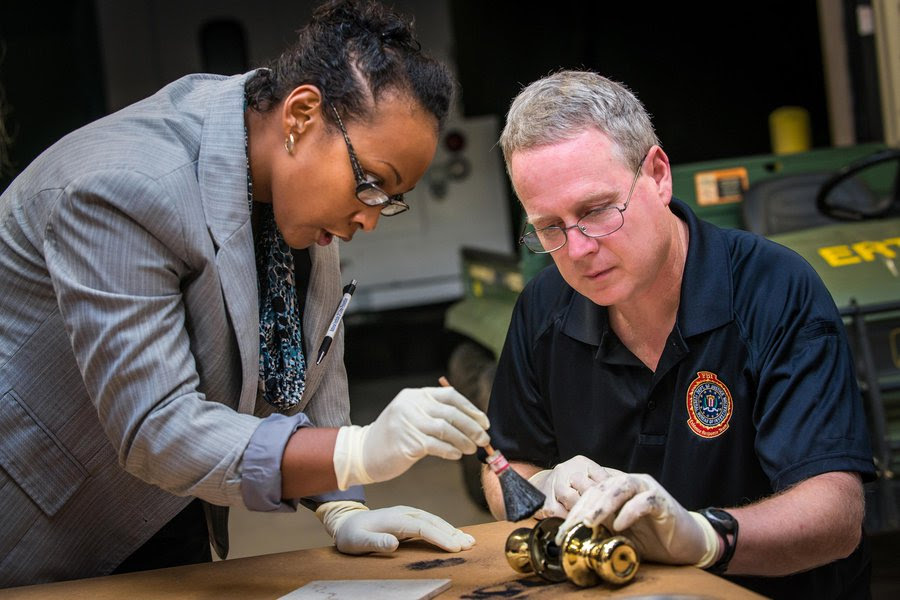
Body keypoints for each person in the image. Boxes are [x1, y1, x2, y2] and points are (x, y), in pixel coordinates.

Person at [0, 0, 491, 587]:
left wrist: (341, 505)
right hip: (45, 520)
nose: (371, 218)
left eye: (390, 197)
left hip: (172, 503)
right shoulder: (122, 187)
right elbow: (158, 425)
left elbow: (305, 363)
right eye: (370, 185)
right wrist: (358, 450)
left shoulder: (296, 181)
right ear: (302, 114)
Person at [482, 70, 875, 599]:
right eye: (550, 227)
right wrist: (540, 488)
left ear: (659, 174)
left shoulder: (773, 290)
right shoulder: (543, 307)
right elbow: (503, 466)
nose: (576, 250)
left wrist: (705, 537)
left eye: (597, 211)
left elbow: (837, 515)